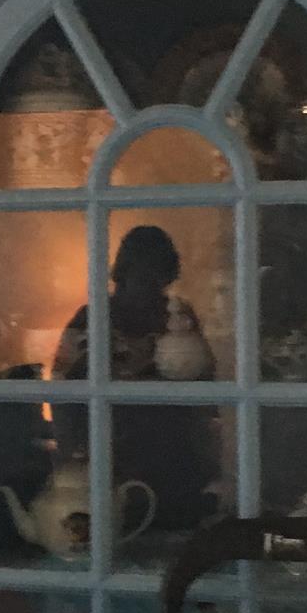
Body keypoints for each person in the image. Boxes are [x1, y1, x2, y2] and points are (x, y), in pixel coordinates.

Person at [51, 225, 219, 531]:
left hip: (173, 447)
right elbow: (62, 387)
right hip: (111, 448)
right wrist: (73, 453)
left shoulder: (177, 314)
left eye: (158, 274)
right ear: (124, 269)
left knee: (174, 529)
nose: (150, 284)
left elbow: (203, 376)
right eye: (142, 271)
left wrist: (211, 437)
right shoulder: (92, 318)